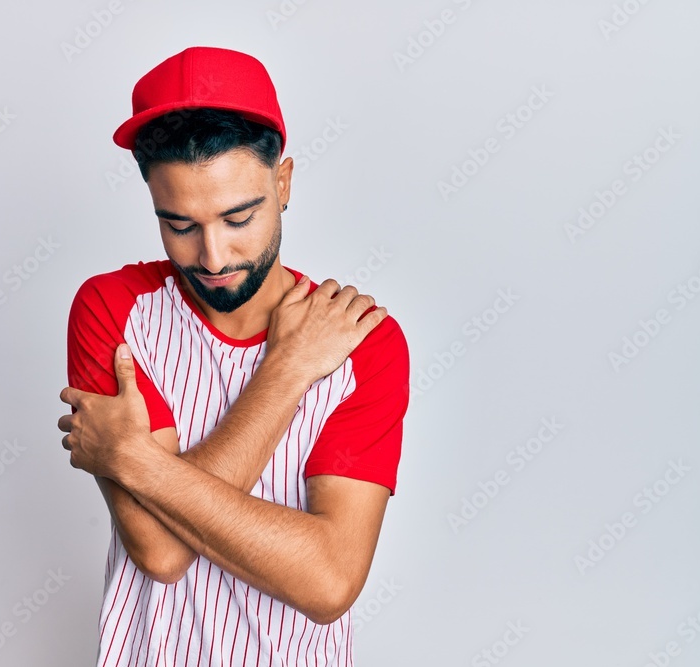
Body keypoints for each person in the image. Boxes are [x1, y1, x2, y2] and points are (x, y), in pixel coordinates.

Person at [58, 46, 410, 667]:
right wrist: (287, 370)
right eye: (180, 225)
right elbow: (160, 554)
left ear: (283, 183)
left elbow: (328, 583)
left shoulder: (363, 340)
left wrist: (128, 458)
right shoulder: (112, 310)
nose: (214, 257)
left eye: (238, 217)